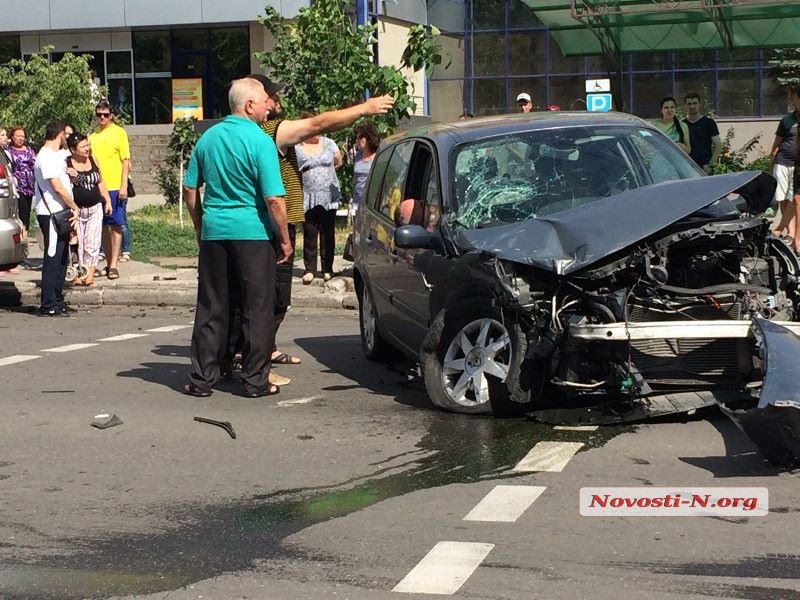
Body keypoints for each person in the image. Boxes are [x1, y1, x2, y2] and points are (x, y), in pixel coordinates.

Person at [247, 74, 393, 371]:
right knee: (273, 294)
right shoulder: (271, 130)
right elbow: (319, 124)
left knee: (259, 293)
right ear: (253, 102)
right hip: (272, 223)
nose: (276, 102)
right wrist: (364, 108)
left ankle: (259, 350)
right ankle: (255, 357)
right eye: (271, 97)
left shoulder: (231, 133)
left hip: (251, 222)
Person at [183, 77, 290, 398]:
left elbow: (190, 190)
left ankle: (202, 380)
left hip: (215, 234)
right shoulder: (260, 142)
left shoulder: (208, 138)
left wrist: (201, 225)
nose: (269, 108)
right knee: (257, 307)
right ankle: (255, 381)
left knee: (212, 306)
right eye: (264, 102)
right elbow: (274, 199)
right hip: (254, 236)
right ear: (248, 105)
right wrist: (283, 238)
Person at [33, 121, 80, 317]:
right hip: (51, 213)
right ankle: (48, 303)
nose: (66, 139)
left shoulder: (54, 155)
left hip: (59, 212)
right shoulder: (45, 157)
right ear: (60, 134)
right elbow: (57, 188)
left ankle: (57, 299)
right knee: (52, 257)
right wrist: (74, 207)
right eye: (65, 135)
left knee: (62, 258)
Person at [89, 100, 131, 279]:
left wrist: (123, 186)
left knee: (116, 224)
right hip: (98, 187)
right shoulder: (92, 136)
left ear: (111, 115)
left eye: (105, 114)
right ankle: (107, 262)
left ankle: (114, 263)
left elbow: (125, 161)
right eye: (99, 114)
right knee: (102, 226)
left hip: (114, 186)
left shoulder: (119, 133)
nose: (102, 118)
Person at [296, 127, 342, 284]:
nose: (318, 133)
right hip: (308, 196)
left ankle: (327, 268)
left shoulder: (329, 143)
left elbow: (338, 161)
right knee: (309, 231)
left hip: (329, 196)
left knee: (327, 231)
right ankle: (310, 269)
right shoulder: (297, 147)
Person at [65, 132, 112, 286]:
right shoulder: (67, 163)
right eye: (83, 146)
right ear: (73, 149)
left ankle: (89, 277)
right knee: (77, 244)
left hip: (94, 208)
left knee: (92, 243)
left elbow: (100, 182)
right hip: (76, 211)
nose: (87, 149)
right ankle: (77, 277)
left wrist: (107, 200)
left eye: (87, 145)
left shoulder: (93, 159)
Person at [769, 86, 800, 243]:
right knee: (783, 198)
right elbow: (776, 144)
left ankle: (785, 230)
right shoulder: (787, 120)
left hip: (797, 167)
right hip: (782, 162)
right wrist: (770, 162)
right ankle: (790, 232)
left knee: (795, 199)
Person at [7, 126, 36, 239]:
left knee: (26, 212)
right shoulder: (8, 151)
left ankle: (25, 235)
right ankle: (18, 236)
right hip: (17, 187)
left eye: (22, 136)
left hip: (29, 186)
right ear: (12, 137)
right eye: (18, 136)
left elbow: (35, 164)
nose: (20, 138)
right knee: (18, 212)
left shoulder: (29, 150)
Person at [683, 93, 722, 174]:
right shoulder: (682, 125)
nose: (692, 106)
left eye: (695, 103)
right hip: (687, 168)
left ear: (699, 104)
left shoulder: (709, 123)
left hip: (705, 168)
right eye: (689, 104)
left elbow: (717, 145)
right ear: (685, 106)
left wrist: (711, 165)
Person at [351, 122, 381, 213]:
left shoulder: (379, 156)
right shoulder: (358, 156)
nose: (357, 141)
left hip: (373, 203)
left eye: (360, 138)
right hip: (358, 202)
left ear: (368, 138)